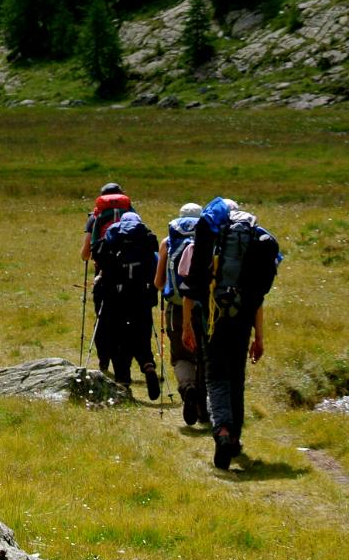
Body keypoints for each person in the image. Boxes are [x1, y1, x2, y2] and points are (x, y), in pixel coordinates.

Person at [183, 199, 281, 469]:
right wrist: (259, 338)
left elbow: (191, 288)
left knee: (216, 378)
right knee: (236, 377)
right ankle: (235, 437)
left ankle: (223, 431)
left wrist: (188, 327)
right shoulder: (253, 240)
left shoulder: (211, 238)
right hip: (242, 320)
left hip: (212, 318)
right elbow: (259, 298)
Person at [92, 211, 162, 398]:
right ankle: (147, 365)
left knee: (118, 337)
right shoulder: (144, 240)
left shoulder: (113, 238)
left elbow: (101, 262)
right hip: (140, 296)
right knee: (142, 335)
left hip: (116, 297)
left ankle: (123, 380)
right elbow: (156, 267)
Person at [156, 202, 205, 424]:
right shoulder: (210, 241)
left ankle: (187, 389)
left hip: (176, 308)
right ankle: (204, 409)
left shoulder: (168, 242)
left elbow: (158, 282)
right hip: (204, 310)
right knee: (204, 357)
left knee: (181, 356)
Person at [82, 182, 135, 374]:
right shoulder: (131, 216)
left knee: (103, 318)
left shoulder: (95, 217)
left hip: (104, 275)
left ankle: (104, 361)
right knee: (127, 319)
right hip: (131, 275)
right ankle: (124, 367)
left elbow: (85, 254)